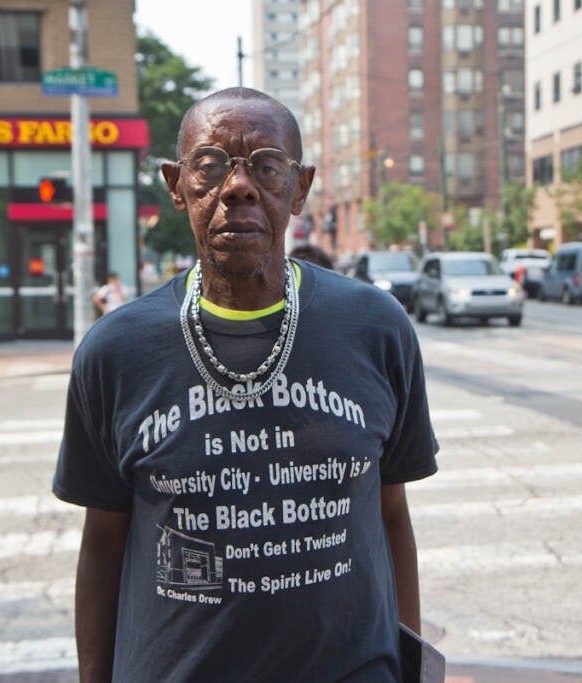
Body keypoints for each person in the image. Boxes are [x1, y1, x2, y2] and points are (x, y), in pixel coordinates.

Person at [54, 87, 439, 682]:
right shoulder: (116, 351)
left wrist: (414, 671)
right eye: (208, 166)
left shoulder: (375, 328)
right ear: (177, 186)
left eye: (267, 167)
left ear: (300, 188)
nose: (237, 187)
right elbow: (104, 543)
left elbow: (391, 517)